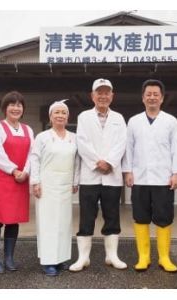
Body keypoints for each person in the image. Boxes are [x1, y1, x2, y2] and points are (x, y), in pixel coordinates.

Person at [123, 79, 177, 273]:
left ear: (162, 98)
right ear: (143, 98)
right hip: (140, 178)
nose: (152, 97)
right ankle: (144, 257)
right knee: (140, 217)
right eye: (148, 94)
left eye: (155, 94)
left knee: (164, 217)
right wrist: (128, 171)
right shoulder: (134, 121)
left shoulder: (170, 121)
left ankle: (164, 257)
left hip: (163, 179)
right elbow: (128, 149)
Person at [70, 78, 128, 271]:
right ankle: (83, 258)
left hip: (112, 176)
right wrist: (98, 162)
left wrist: (110, 162)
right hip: (90, 175)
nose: (103, 96)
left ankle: (112, 256)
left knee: (112, 216)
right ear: (92, 96)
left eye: (106, 92)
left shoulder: (119, 118)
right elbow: (82, 143)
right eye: (99, 92)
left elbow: (122, 143)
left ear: (112, 95)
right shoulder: (84, 117)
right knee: (87, 216)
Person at [0, 91, 34, 273]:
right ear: (5, 108)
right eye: (12, 104)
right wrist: (13, 169)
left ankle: (9, 257)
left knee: (13, 220)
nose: (16, 108)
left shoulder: (28, 130)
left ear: (23, 109)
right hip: (0, 179)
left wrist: (25, 171)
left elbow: (32, 154)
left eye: (19, 105)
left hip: (20, 180)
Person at [30, 100, 80, 276]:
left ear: (68, 117)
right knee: (48, 223)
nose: (60, 115)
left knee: (64, 223)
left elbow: (77, 162)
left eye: (63, 112)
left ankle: (61, 258)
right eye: (56, 112)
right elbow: (34, 159)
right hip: (47, 185)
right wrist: (35, 182)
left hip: (65, 185)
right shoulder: (42, 137)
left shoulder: (74, 137)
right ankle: (49, 261)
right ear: (50, 116)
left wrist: (75, 181)